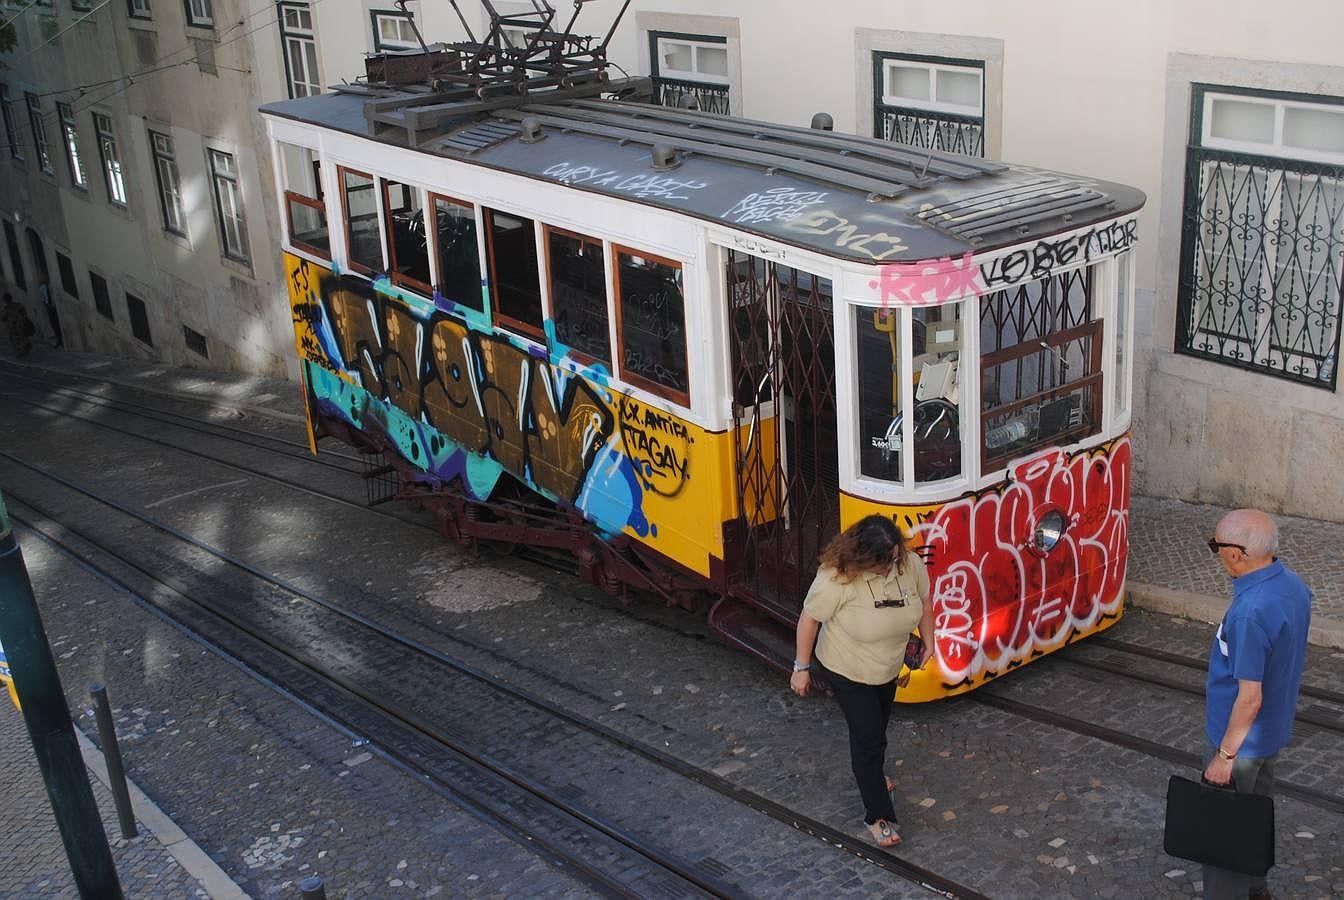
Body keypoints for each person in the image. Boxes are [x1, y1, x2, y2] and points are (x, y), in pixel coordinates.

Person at [790, 514, 935, 848]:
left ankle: (874, 774)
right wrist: (801, 667)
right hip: (847, 669)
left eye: (894, 560)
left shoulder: (908, 563)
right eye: (882, 565)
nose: (891, 569)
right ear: (862, 559)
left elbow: (924, 601)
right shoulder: (835, 579)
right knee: (867, 737)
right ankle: (878, 816)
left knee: (877, 728)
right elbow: (809, 620)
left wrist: (930, 640)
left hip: (887, 666)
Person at [1201, 508, 1312, 900]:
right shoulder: (1294, 587)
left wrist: (1224, 756)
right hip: (1272, 734)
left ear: (1238, 553)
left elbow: (1250, 697)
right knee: (1254, 816)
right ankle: (1256, 887)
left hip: (1240, 744)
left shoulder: (1249, 612)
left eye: (1216, 545)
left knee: (1225, 833)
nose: (1215, 553)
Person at [2, 292, 35, 357]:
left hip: (12, 327)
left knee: (16, 340)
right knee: (23, 337)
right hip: (20, 324)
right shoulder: (18, 305)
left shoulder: (6, 308)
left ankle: (21, 352)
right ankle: (25, 349)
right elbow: (24, 313)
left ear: (5, 300)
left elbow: (3, 318)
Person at [38, 280, 63, 349]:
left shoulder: (53, 285)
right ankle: (59, 340)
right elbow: (43, 299)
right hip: (49, 308)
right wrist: (47, 306)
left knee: (59, 324)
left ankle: (62, 340)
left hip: (56, 307)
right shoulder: (41, 288)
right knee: (54, 325)